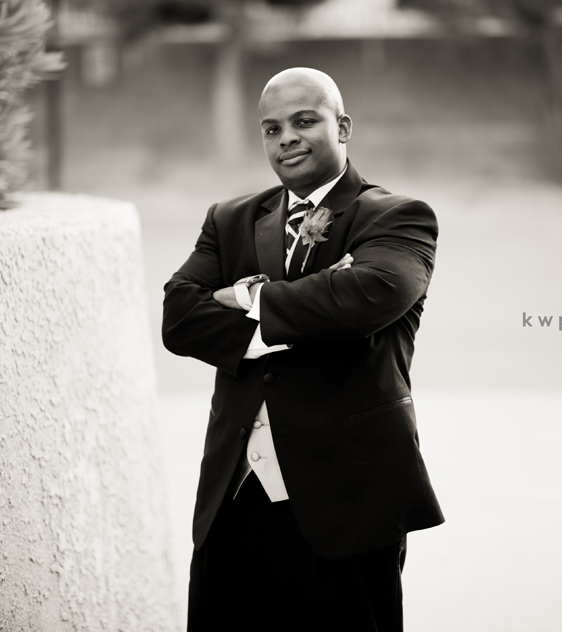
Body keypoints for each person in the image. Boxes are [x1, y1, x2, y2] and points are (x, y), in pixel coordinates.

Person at [162, 67, 444, 631]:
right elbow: (180, 318)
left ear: (343, 127)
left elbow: (369, 294)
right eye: (272, 129)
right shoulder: (230, 220)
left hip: (347, 501)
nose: (286, 137)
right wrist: (305, 311)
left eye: (304, 121)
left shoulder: (397, 216)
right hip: (233, 498)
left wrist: (245, 297)